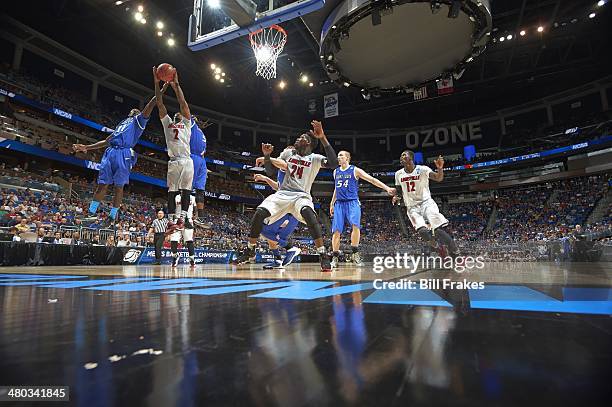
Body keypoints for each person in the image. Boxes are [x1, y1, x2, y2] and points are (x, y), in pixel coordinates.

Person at [233, 120, 338, 272]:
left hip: (301, 196)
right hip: (283, 194)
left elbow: (334, 163)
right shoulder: (288, 153)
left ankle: (323, 254)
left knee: (309, 214)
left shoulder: (315, 158)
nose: (296, 139)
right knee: (260, 212)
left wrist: (322, 137)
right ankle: (250, 249)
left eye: (301, 137)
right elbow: (271, 172)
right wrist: (268, 157)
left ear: (308, 142)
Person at [73, 83, 166, 225]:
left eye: (135, 110)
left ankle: (112, 215)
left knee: (118, 187)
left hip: (124, 154)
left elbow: (151, 104)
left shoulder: (139, 121)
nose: (133, 111)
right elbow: (107, 141)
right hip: (110, 152)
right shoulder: (121, 124)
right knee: (102, 184)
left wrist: (160, 91)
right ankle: (91, 213)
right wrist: (87, 147)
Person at [330, 150, 395, 268]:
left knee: (355, 226)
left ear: (347, 158)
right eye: (338, 155)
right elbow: (336, 188)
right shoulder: (335, 172)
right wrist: (331, 203)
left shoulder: (355, 170)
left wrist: (387, 188)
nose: (338, 157)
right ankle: (334, 257)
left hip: (352, 202)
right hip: (339, 203)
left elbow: (372, 180)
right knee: (336, 231)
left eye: (341, 155)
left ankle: (355, 253)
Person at [393, 151, 458, 256]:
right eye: (401, 155)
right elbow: (399, 190)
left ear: (411, 158)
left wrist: (440, 168)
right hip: (411, 207)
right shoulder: (398, 174)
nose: (402, 157)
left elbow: (438, 178)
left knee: (437, 230)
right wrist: (397, 197)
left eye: (404, 155)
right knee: (423, 232)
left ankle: (454, 250)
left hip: (426, 202)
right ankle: (438, 248)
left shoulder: (423, 169)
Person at [154, 68, 193, 234]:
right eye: (176, 113)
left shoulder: (187, 123)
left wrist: (176, 86)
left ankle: (182, 219)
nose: (178, 113)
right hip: (174, 161)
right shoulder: (167, 123)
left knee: (186, 191)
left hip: (186, 159)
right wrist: (157, 85)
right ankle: (171, 221)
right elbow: (159, 103)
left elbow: (183, 103)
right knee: (171, 192)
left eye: (180, 113)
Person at [253, 166, 301, 269]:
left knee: (264, 230)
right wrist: (265, 179)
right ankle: (278, 260)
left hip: (290, 212)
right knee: (270, 238)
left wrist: (267, 158)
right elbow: (277, 187)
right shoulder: (282, 172)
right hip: (286, 211)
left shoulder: (293, 170)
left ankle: (290, 248)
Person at [190, 116, 210, 226]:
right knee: (200, 190)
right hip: (203, 161)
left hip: (194, 158)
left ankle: (183, 213)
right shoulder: (202, 134)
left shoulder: (192, 125)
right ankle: (201, 217)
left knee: (186, 187)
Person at [169, 193, 197, 268]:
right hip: (177, 221)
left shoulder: (192, 198)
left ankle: (192, 259)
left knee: (189, 241)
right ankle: (175, 256)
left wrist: (195, 216)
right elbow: (172, 209)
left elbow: (195, 210)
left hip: (188, 221)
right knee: (173, 240)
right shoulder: (177, 197)